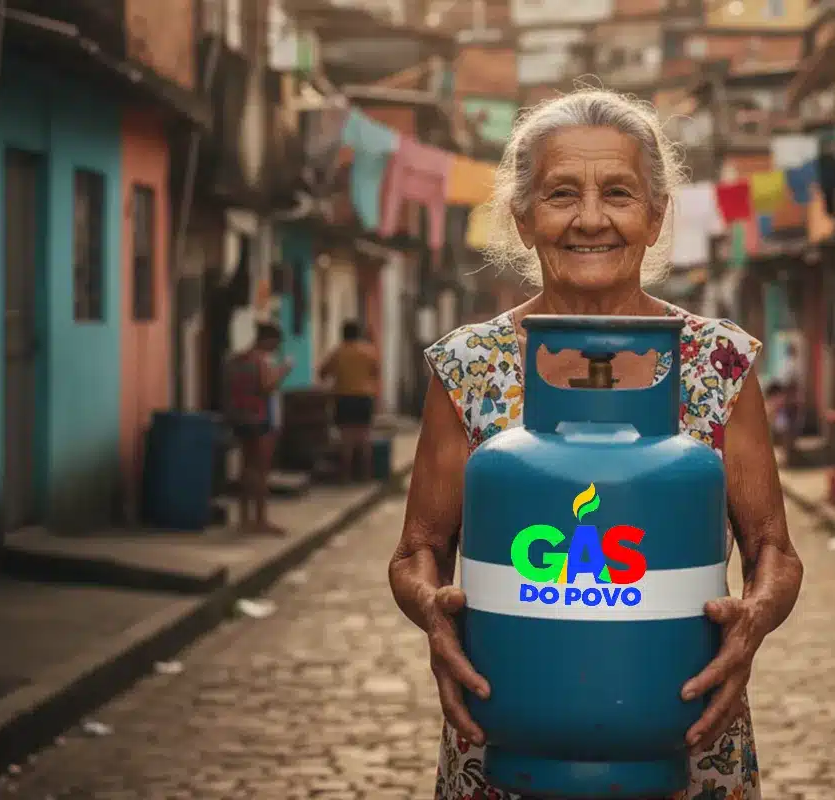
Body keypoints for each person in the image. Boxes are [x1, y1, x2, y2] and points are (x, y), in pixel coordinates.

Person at [388, 89, 804, 800]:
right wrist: (434, 613)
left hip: (683, 736)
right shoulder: (468, 367)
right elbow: (417, 548)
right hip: (507, 739)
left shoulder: (716, 363)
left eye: (618, 193)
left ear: (655, 215)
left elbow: (773, 550)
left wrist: (752, 623)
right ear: (521, 219)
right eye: (559, 194)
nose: (589, 219)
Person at [224, 321, 292, 535]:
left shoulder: (236, 359)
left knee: (246, 469)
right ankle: (260, 521)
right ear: (268, 340)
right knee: (261, 472)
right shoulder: (261, 360)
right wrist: (284, 370)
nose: (277, 347)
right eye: (276, 342)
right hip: (262, 419)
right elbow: (267, 386)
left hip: (242, 419)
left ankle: (244, 519)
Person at [318, 320, 381, 482]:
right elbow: (376, 373)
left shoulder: (338, 352)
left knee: (346, 439)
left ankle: (345, 476)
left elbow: (322, 373)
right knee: (365, 437)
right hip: (365, 397)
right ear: (359, 334)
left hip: (344, 398)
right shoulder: (369, 351)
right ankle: (366, 475)